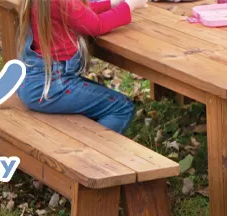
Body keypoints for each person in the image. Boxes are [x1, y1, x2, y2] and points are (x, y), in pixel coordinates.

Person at [17, 0, 148, 133]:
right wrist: (130, 6)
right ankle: (92, 151)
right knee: (121, 107)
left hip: (34, 82)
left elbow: (78, 11)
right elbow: (97, 25)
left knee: (99, 102)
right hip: (51, 88)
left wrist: (110, 4)